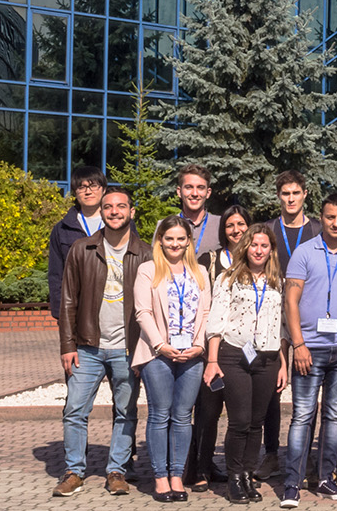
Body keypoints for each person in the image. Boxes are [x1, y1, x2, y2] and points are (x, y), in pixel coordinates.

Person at [54, 187, 150, 498]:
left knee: (126, 412)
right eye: (108, 207)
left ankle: (117, 471)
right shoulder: (82, 249)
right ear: (102, 212)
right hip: (87, 347)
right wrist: (67, 345)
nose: (114, 211)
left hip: (127, 349)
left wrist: (145, 351)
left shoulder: (146, 254)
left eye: (121, 206)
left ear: (131, 212)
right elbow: (68, 299)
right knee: (74, 410)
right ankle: (74, 471)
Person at [280, 193, 337, 508]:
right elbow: (291, 300)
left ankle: (325, 479)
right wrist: (298, 344)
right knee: (302, 415)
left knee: (334, 414)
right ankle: (292, 483)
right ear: (321, 218)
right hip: (310, 348)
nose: (336, 223)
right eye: (330, 217)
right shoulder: (304, 253)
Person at [202, 224, 288, 504]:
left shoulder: (277, 281)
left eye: (264, 246)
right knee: (239, 421)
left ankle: (248, 475)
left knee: (256, 422)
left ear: (271, 250)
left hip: (267, 358)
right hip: (234, 355)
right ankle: (235, 478)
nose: (258, 250)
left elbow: (280, 326)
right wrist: (212, 360)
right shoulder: (228, 278)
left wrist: (283, 364)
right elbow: (216, 322)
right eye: (254, 245)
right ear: (245, 247)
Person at [133, 215, 213, 503]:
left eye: (181, 239)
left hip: (192, 354)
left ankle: (177, 476)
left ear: (188, 241)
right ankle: (160, 478)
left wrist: (200, 345)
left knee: (182, 416)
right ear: (160, 241)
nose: (175, 244)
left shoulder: (200, 272)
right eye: (169, 239)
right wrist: (160, 345)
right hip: (158, 354)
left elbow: (206, 312)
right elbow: (143, 312)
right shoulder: (148, 270)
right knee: (159, 414)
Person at [185, 205, 252, 492]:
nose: (236, 230)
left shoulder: (256, 259)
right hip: (212, 348)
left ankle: (240, 469)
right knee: (208, 411)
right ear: (223, 230)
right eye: (230, 225)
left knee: (241, 413)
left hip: (244, 349)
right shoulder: (209, 260)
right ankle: (201, 468)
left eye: (241, 224)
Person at [262, 170, 319, 479]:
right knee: (273, 386)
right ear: (278, 196)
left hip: (306, 316)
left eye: (296, 193)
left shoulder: (317, 229)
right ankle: (271, 453)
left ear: (305, 194)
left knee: (305, 387)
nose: (291, 199)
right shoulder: (269, 230)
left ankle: (304, 455)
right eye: (285, 194)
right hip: (272, 315)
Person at [48, 166, 107, 320]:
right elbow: (56, 274)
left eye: (93, 186)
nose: (88, 191)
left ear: (103, 189)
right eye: (82, 187)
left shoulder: (119, 224)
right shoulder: (62, 229)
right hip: (77, 309)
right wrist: (60, 313)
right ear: (75, 192)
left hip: (114, 307)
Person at [174, 164, 221, 258]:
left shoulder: (221, 225)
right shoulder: (164, 226)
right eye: (189, 187)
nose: (195, 193)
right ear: (179, 192)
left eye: (200, 187)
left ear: (208, 193)